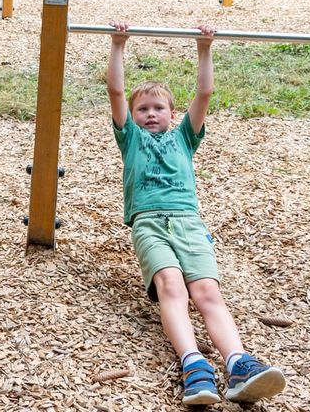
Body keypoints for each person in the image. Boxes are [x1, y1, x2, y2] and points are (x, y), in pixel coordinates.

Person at [104, 22, 286, 406]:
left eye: (158, 108)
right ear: (133, 116)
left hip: (189, 222)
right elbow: (115, 90)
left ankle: (238, 363)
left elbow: (205, 91)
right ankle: (194, 366)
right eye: (143, 109)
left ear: (173, 113)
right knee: (172, 286)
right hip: (149, 222)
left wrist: (205, 48)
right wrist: (118, 45)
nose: (150, 114)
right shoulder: (131, 138)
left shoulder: (185, 137)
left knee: (206, 291)